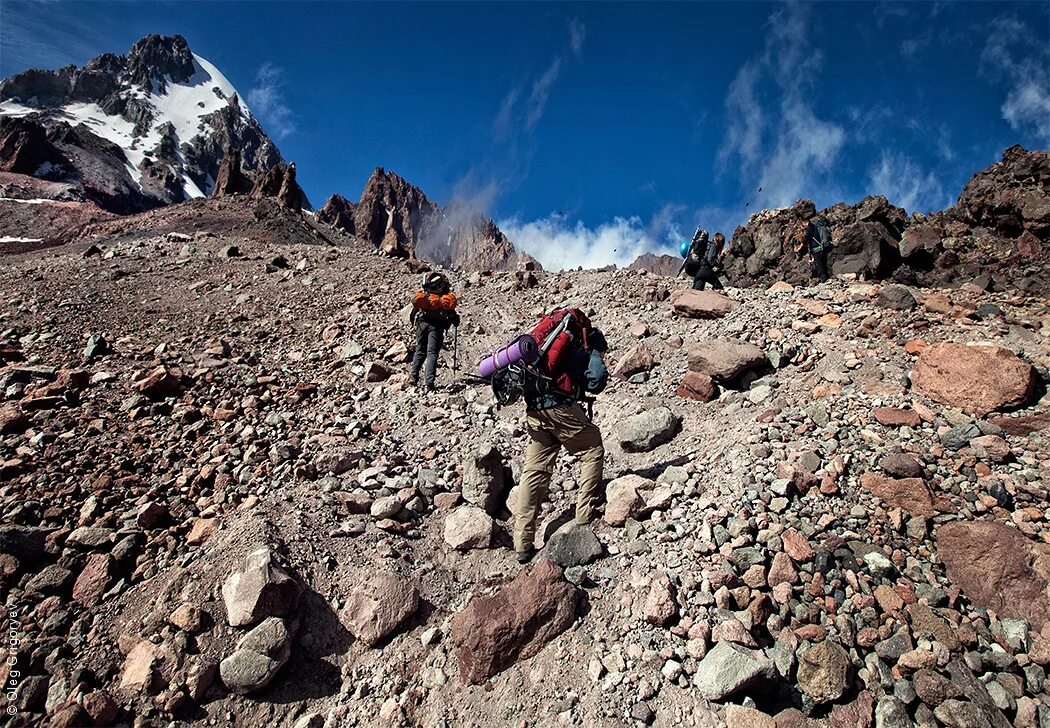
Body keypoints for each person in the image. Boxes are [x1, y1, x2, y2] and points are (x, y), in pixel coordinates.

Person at [514, 311, 609, 564]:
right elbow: (597, 381)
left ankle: (522, 544)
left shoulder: (545, 346)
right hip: (562, 408)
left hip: (535, 410)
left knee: (534, 470)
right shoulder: (587, 349)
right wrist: (595, 356)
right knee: (592, 448)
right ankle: (583, 518)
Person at [409, 272, 460, 392]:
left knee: (420, 350)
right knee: (432, 353)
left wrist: (413, 323)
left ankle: (413, 377)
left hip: (422, 324)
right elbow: (453, 316)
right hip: (436, 327)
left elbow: (413, 312)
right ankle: (429, 384)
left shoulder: (425, 295)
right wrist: (455, 321)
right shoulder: (444, 299)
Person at [797, 215, 832, 283]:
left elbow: (807, 237)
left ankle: (823, 279)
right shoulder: (813, 227)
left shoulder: (811, 227)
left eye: (803, 225)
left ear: (805, 222)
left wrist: (800, 246)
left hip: (817, 248)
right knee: (821, 263)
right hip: (818, 248)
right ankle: (825, 278)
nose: (803, 227)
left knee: (819, 264)